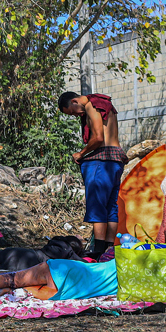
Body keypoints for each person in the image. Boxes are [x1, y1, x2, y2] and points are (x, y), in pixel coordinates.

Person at [58, 92, 127, 258]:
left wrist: (81, 154)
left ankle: (97, 251)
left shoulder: (91, 104)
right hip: (115, 160)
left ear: (75, 101)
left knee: (97, 207)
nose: (76, 115)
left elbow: (97, 137)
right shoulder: (104, 104)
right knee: (110, 206)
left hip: (102, 161)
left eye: (72, 112)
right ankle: (110, 250)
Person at [0, 259, 117, 302]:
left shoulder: (132, 256)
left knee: (15, 280)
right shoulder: (139, 285)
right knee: (18, 293)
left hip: (66, 270)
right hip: (69, 292)